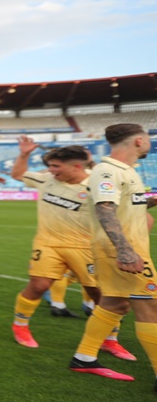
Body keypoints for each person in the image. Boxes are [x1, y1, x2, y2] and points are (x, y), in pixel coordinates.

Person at [7, 138, 135, 358]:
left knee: (101, 295)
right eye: (51, 166)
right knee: (38, 285)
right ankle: (20, 326)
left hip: (85, 247)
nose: (51, 170)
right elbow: (17, 175)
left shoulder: (96, 186)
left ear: (77, 166)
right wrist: (24, 154)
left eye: (57, 166)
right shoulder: (46, 180)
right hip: (48, 243)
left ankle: (110, 340)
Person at [68, 123, 156, 384]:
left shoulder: (125, 171)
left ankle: (83, 358)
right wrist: (126, 251)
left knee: (116, 304)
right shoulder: (107, 170)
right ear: (138, 141)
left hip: (123, 248)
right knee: (151, 307)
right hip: (123, 250)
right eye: (148, 139)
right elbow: (105, 209)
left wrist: (150, 202)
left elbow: (121, 206)